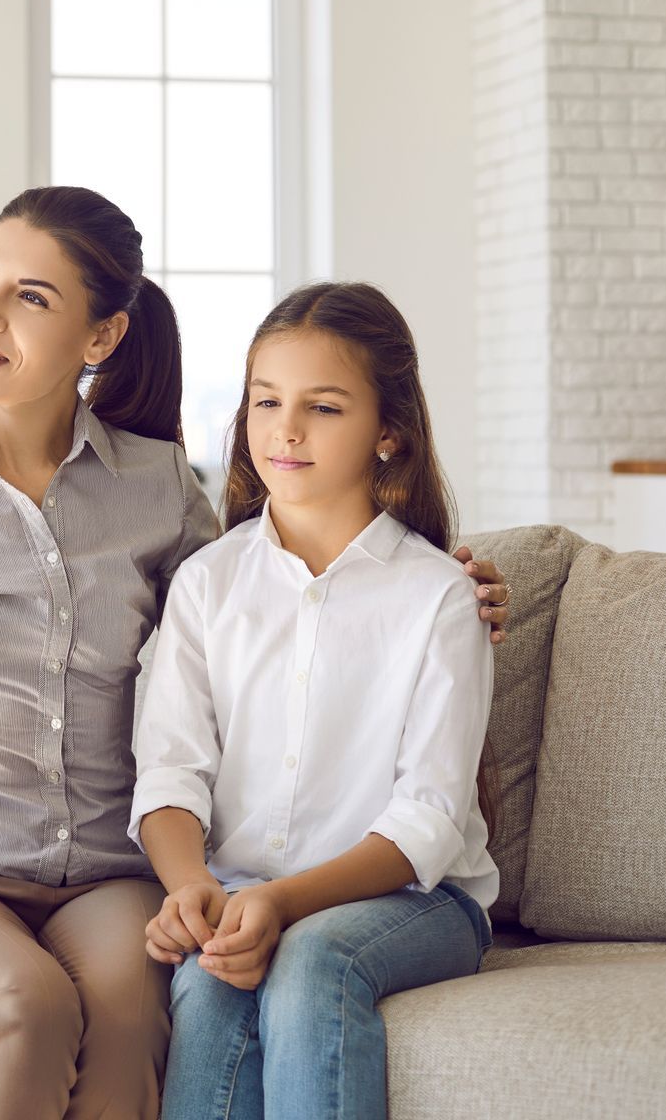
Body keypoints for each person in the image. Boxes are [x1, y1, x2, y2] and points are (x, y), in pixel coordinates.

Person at [0, 191, 513, 1119]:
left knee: (135, 1017)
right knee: (28, 1005)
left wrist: (446, 580)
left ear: (100, 338)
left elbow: (286, 599)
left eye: (30, 296)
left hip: (105, 874)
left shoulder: (159, 490)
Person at [132, 282, 498, 1120]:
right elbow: (170, 772)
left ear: (388, 432)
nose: (284, 429)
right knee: (212, 985)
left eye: (323, 407)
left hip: (414, 903)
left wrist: (279, 902)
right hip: (237, 889)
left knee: (310, 961)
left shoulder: (441, 599)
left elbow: (428, 820)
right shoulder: (207, 583)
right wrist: (191, 888)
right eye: (266, 401)